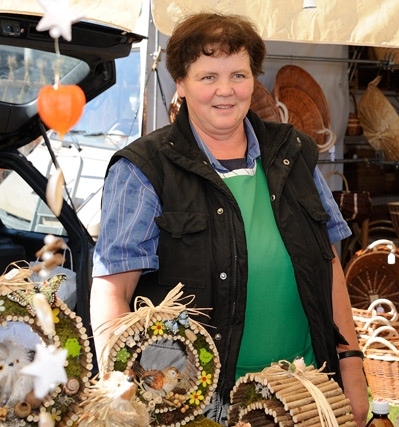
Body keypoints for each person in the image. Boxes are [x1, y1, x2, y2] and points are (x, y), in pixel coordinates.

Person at [89, 12, 369, 426]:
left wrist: (351, 366)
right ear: (181, 83)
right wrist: (122, 395)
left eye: (238, 75)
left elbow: (329, 268)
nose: (225, 90)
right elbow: (113, 290)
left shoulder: (293, 153)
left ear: (254, 80)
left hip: (305, 391)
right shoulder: (143, 169)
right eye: (208, 77)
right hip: (196, 403)